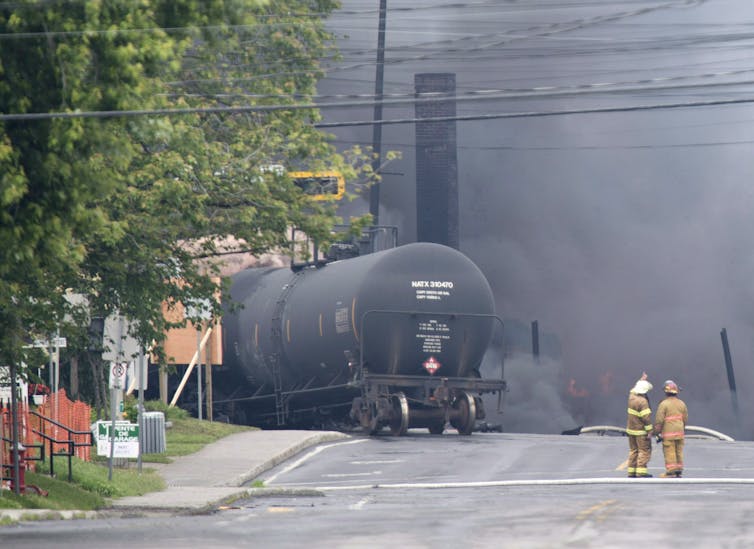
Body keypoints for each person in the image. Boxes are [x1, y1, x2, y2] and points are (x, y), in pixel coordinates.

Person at [653, 380, 688, 478]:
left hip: (669, 434)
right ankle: (679, 470)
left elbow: (659, 420)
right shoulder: (682, 403)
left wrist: (656, 432)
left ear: (666, 392)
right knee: (679, 451)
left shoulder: (664, 404)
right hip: (680, 433)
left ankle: (671, 472)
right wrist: (682, 429)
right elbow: (685, 419)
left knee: (670, 451)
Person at [626, 372, 653, 478]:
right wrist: (650, 431)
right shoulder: (643, 402)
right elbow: (646, 418)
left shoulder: (631, 397)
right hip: (640, 431)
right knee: (643, 451)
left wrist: (641, 380)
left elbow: (634, 389)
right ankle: (641, 472)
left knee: (633, 451)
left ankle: (631, 471)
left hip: (631, 430)